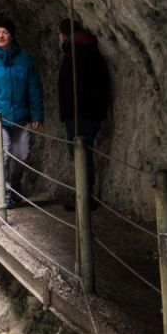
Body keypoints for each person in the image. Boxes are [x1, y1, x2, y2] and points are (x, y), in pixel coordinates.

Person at [0, 20, 43, 206]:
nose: (1, 36)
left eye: (4, 32)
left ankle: (15, 184)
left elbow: (34, 88)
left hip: (22, 116)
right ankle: (4, 194)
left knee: (22, 155)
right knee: (2, 155)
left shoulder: (24, 58)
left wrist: (37, 114)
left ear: (11, 35)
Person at [58, 19, 111, 203]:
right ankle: (84, 195)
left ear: (64, 35)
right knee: (84, 153)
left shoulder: (74, 55)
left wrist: (67, 113)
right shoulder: (92, 52)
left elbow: (70, 88)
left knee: (81, 154)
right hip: (91, 112)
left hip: (79, 113)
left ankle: (84, 197)